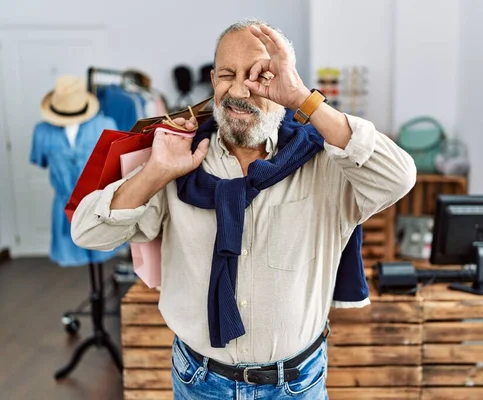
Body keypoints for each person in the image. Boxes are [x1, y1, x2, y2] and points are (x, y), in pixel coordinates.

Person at [71, 19, 416, 399]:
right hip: (198, 380)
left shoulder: (325, 164)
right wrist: (155, 171)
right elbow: (89, 232)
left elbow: (398, 177)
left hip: (296, 384)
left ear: (284, 81)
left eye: (259, 76)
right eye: (226, 75)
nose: (239, 90)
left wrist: (305, 98)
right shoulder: (176, 161)